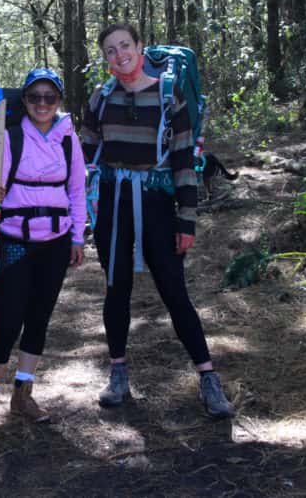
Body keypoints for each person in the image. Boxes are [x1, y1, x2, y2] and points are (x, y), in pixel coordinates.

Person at [81, 23, 235, 419]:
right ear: (105, 58)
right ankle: (118, 374)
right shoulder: (100, 98)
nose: (119, 55)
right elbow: (83, 158)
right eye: (110, 51)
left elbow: (184, 161)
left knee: (174, 291)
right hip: (114, 204)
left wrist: (187, 220)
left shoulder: (170, 96)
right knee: (116, 288)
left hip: (156, 204)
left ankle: (208, 377)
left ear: (140, 47)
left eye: (125, 46)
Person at [0, 68, 87, 436]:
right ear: (24, 102)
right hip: (14, 242)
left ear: (59, 101)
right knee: (8, 322)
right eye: (35, 97)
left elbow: (76, 191)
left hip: (55, 243)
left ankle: (23, 394)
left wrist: (77, 237)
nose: (42, 104)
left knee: (39, 318)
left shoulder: (69, 139)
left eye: (49, 97)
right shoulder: (8, 139)